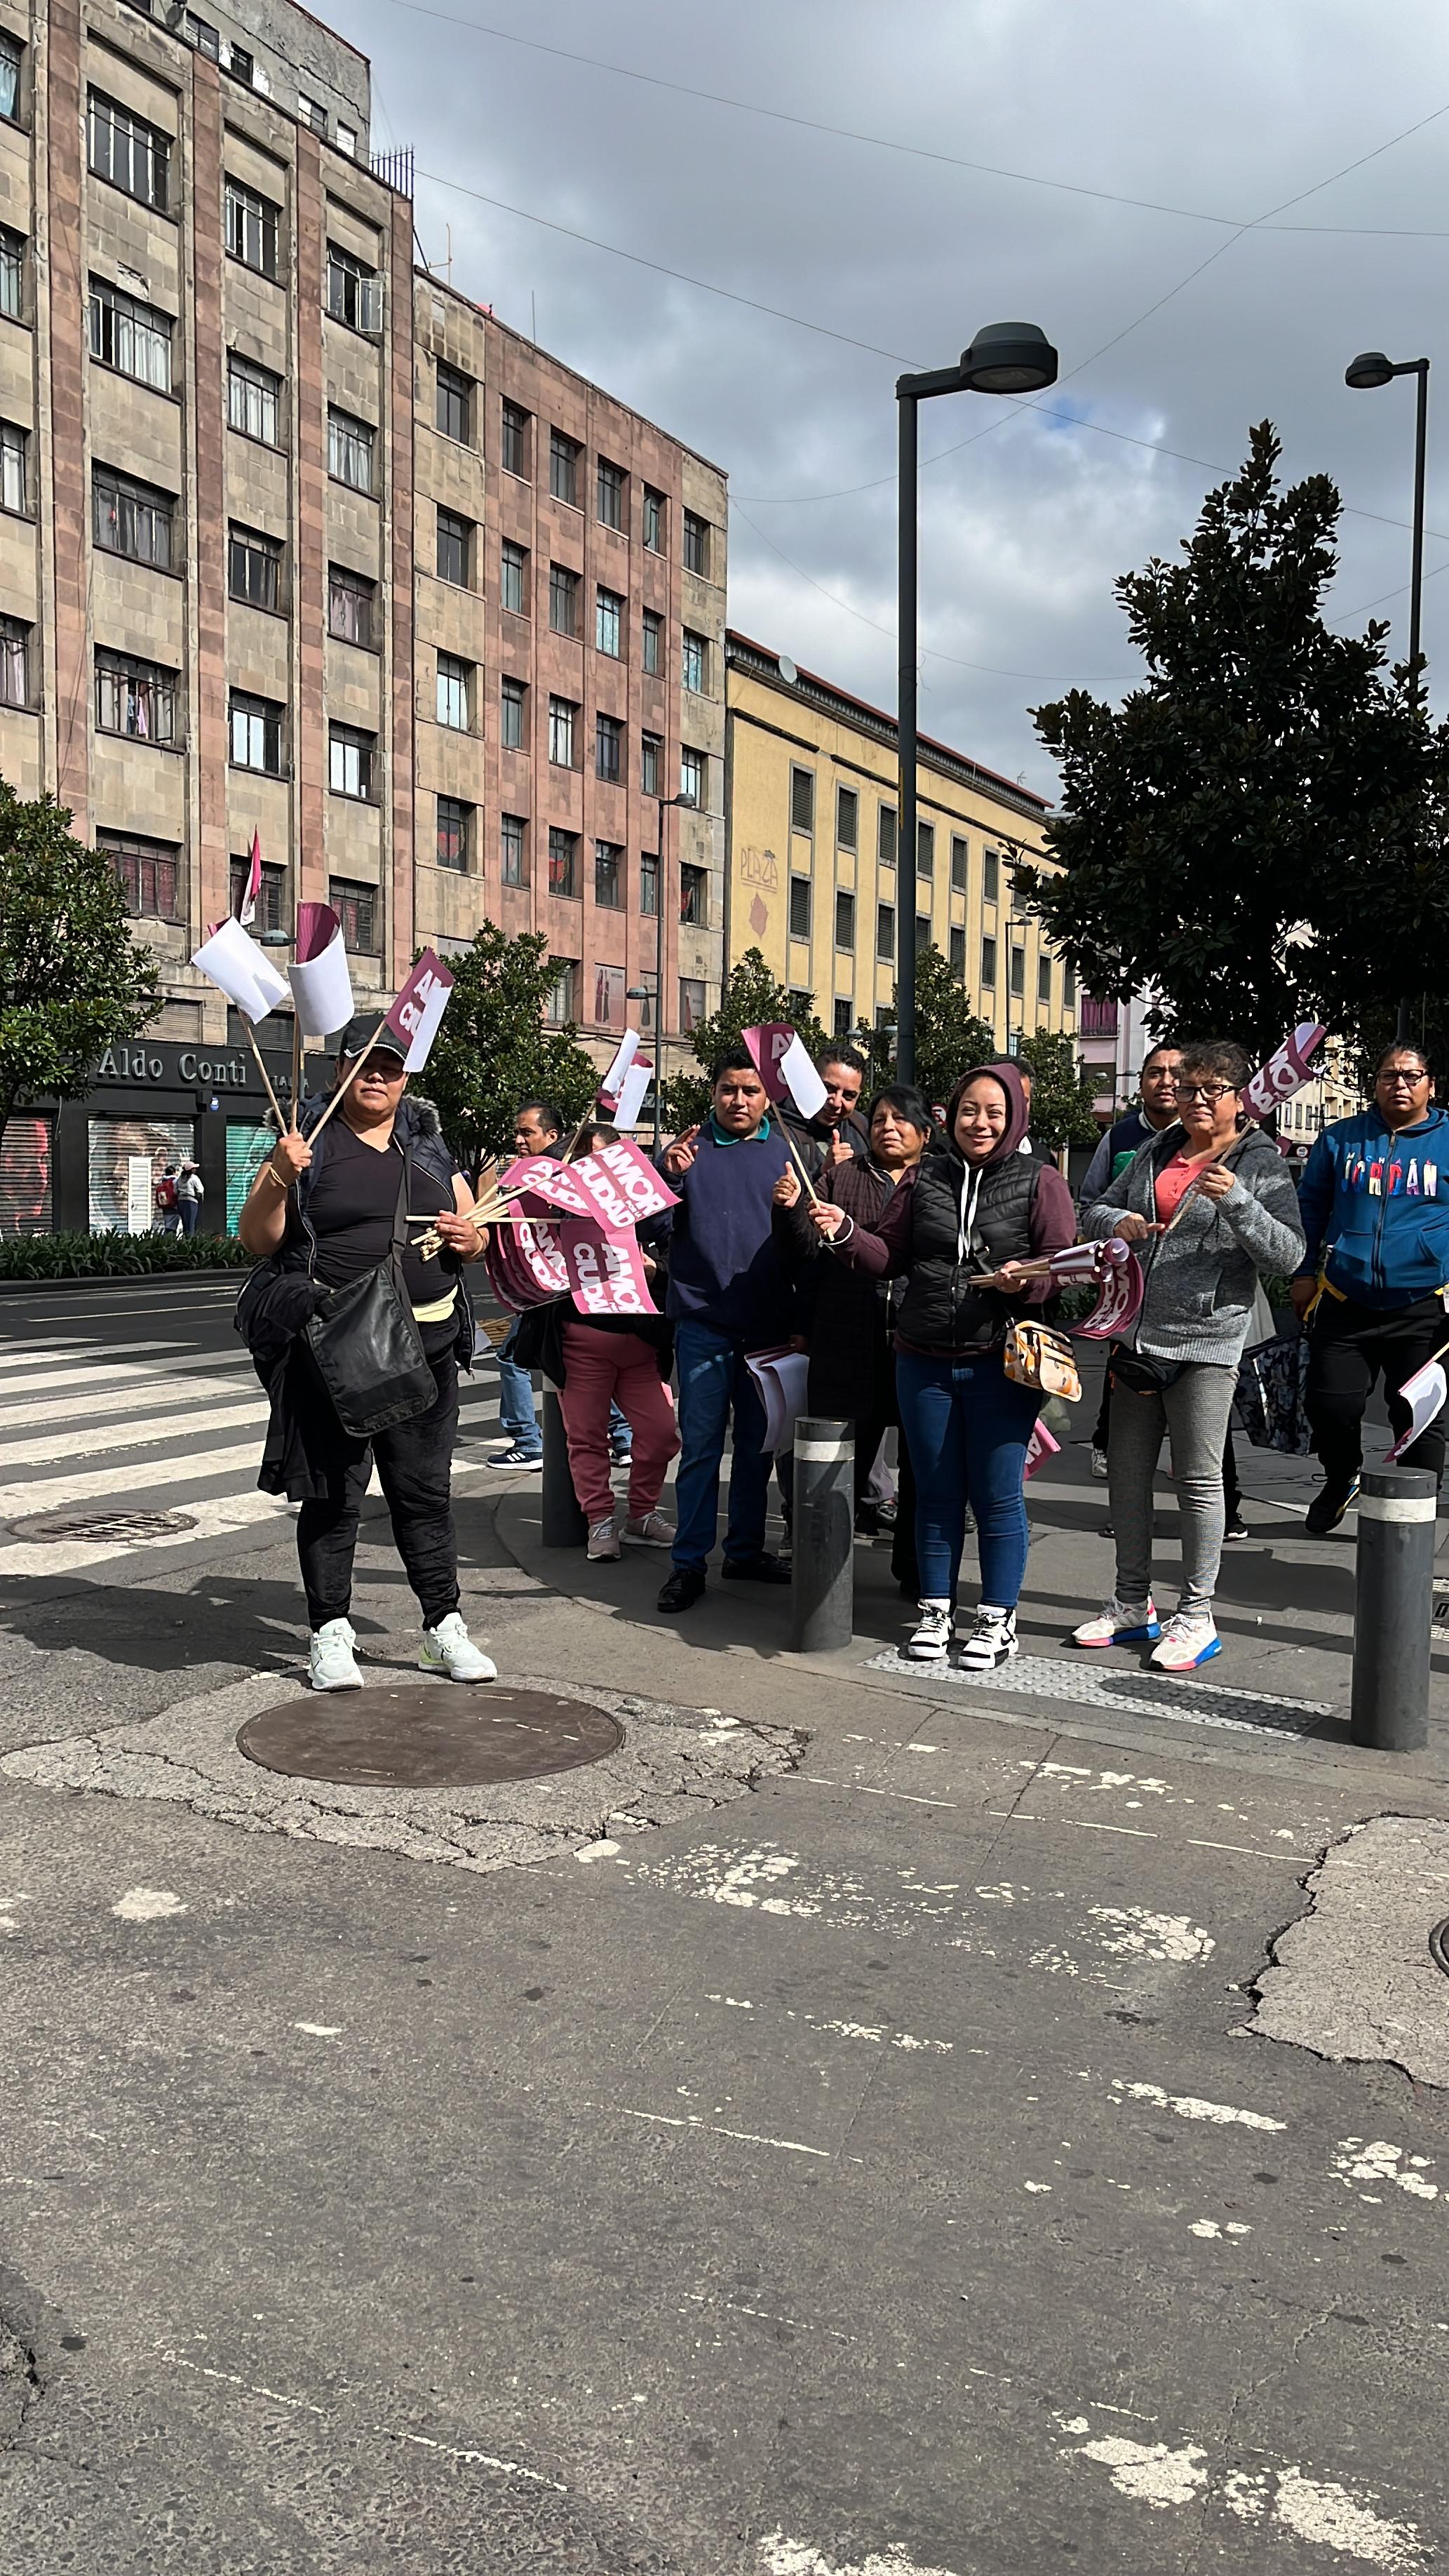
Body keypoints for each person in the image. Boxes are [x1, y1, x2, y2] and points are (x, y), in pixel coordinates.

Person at [236, 1014, 497, 1691]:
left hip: (430, 1343)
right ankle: (330, 1633)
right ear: (341, 1071)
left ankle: (443, 1628)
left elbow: (474, 1234)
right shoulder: (312, 1144)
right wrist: (275, 1175)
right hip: (342, 1348)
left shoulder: (434, 1148)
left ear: (407, 1077)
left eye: (390, 1066)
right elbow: (258, 1240)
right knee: (335, 1496)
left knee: (424, 1495)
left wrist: (471, 1243)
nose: (377, 1077)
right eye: (364, 1065)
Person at [808, 1060, 1077, 1668]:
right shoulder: (924, 1178)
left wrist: (1024, 1283)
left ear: (1013, 1119)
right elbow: (889, 1257)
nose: (979, 1123)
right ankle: (935, 1610)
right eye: (968, 1110)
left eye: (993, 1112)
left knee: (997, 1496)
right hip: (921, 1359)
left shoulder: (1041, 1181)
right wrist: (845, 1230)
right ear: (950, 1116)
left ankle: (997, 1618)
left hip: (1000, 1364)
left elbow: (1062, 1269)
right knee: (932, 1493)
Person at [1074, 1038, 1305, 1671]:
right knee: (1126, 1474)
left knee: (1198, 1480)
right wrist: (1116, 1221)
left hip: (1206, 1342)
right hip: (1135, 1335)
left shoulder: (1259, 1161)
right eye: (1186, 1088)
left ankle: (1196, 1614)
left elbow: (1287, 1256)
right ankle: (1131, 1604)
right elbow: (1088, 1209)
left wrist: (1237, 1199)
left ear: (1238, 1097)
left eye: (1210, 1089)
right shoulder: (1156, 1149)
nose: (1195, 1099)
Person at [654, 1049, 798, 1611]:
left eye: (750, 1091)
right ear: (712, 1093)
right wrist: (669, 1179)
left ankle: (745, 1549)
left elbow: (805, 1242)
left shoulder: (789, 1155)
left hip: (767, 1328)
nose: (738, 1100)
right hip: (704, 1325)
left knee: (757, 1450)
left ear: (767, 1098)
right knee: (700, 1449)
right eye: (728, 1090)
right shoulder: (686, 1154)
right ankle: (688, 1563)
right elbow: (650, 1229)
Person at [772, 1085, 931, 1595]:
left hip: (917, 1344)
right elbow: (801, 1252)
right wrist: (792, 1209)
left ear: (925, 1133)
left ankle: (917, 1573)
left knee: (923, 1469)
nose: (888, 1127)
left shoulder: (939, 1183)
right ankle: (820, 1570)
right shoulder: (839, 1177)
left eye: (901, 1119)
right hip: (844, 1343)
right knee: (834, 1466)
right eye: (880, 1118)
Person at [1291, 1040, 1449, 1531]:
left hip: (1425, 1304)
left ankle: (1412, 1522)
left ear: (1430, 1085)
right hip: (1344, 1298)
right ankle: (1341, 1477)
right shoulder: (1341, 1139)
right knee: (1329, 1404)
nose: (1399, 1084)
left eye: (1410, 1076)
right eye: (1388, 1076)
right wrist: (1301, 1273)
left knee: (1420, 1420)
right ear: (1374, 1084)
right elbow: (1309, 1207)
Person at [514, 1122, 679, 1562]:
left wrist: (656, 1267)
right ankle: (599, 1520)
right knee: (587, 1438)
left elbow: (676, 1239)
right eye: (589, 1161)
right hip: (581, 1344)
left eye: (607, 1162)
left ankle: (641, 1514)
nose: (597, 1171)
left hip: (640, 1344)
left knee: (662, 1435)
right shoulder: (551, 1204)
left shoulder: (643, 1205)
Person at [486, 1099, 633, 1475]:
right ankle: (623, 1436)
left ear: (551, 1136)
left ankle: (528, 1442)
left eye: (527, 1132)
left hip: (552, 1284)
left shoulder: (550, 1174)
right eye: (516, 1132)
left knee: (516, 1356)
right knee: (574, 1362)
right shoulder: (535, 1172)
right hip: (555, 1283)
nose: (519, 1139)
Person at [1080, 1045, 1187, 1484]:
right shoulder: (1121, 1137)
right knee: (1124, 1371)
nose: (1166, 1082)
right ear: (1140, 1083)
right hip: (1129, 1283)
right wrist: (1117, 1228)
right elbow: (1091, 1204)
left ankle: (1192, 1460)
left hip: (1190, 1292)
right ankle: (1110, 1447)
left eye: (1176, 1073)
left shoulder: (1211, 1139)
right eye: (1155, 1073)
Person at [782, 1044, 870, 1171]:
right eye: (828, 1088)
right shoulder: (782, 1135)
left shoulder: (861, 1128)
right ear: (810, 1080)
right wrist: (824, 1172)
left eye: (849, 1095)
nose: (836, 1103)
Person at [177, 1160, 205, 1238]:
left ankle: (185, 1239)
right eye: (194, 1168)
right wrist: (197, 1195)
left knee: (185, 1223)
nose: (195, 1170)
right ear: (191, 1170)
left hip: (181, 1202)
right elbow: (201, 1190)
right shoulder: (194, 1178)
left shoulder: (180, 1178)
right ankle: (190, 1241)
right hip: (191, 1202)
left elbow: (175, 1191)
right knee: (191, 1223)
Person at [154, 1165, 180, 1233]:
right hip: (174, 1206)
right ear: (174, 1173)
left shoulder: (163, 1182)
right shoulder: (175, 1181)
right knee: (172, 1227)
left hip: (165, 1205)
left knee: (168, 1224)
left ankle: (167, 1239)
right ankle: (168, 1240)